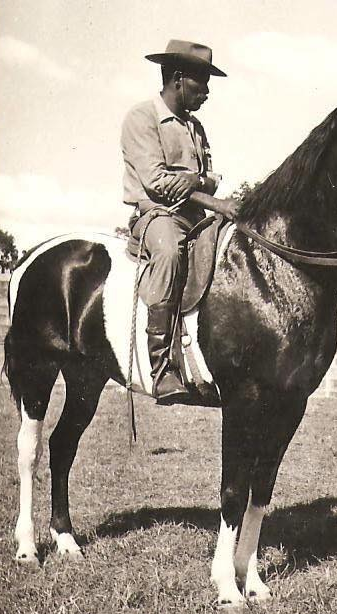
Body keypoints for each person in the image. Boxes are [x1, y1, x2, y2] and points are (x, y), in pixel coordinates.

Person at [121, 39, 235, 402]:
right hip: (156, 216)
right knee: (170, 252)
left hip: (194, 216)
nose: (207, 93)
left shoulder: (196, 127)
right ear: (179, 79)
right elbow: (157, 182)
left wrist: (196, 182)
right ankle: (161, 368)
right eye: (202, 84)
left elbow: (211, 176)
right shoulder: (142, 118)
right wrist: (212, 198)